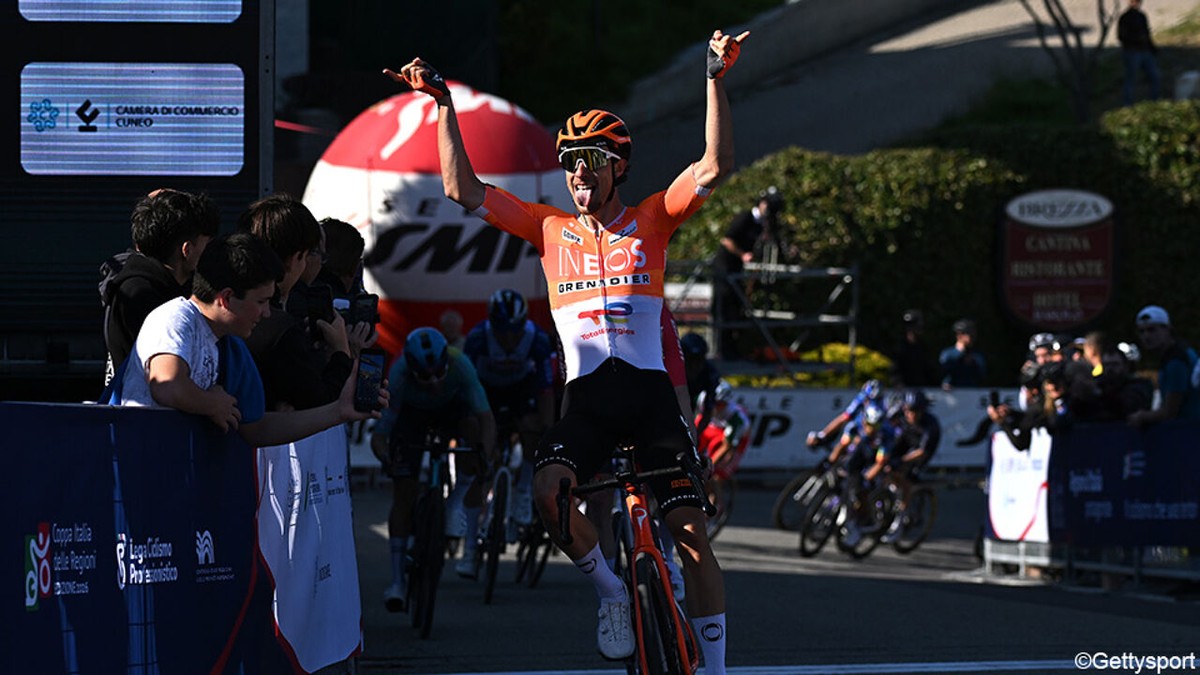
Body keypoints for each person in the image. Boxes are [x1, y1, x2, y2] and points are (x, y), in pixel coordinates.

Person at [385, 28, 746, 670]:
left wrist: (714, 77)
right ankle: (611, 591)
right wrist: (443, 104)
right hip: (588, 404)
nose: (577, 171)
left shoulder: (653, 219)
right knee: (549, 492)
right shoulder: (548, 229)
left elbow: (712, 167)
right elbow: (462, 191)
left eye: (590, 160)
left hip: (649, 401)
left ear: (617, 167)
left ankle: (714, 669)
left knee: (691, 538)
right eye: (569, 160)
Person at [115, 232, 386, 447]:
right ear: (227, 298)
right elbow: (167, 386)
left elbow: (256, 428)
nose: (267, 313)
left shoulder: (231, 346)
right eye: (261, 302)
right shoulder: (175, 318)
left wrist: (339, 411)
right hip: (140, 482)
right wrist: (213, 403)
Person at [370, 327, 496, 608]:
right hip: (412, 416)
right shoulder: (400, 373)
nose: (433, 381)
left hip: (452, 410)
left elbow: (485, 418)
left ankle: (457, 500)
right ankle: (397, 582)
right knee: (403, 494)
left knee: (472, 432)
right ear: (412, 370)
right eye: (425, 377)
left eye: (439, 373)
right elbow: (381, 433)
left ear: (446, 364)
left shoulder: (460, 364)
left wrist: (484, 457)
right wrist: (387, 459)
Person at [239, 194, 373, 411]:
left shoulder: (229, 305)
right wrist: (342, 350)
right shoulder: (282, 328)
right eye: (313, 253)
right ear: (296, 258)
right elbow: (319, 400)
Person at [99, 189, 219, 383]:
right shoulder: (141, 295)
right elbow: (165, 381)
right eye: (207, 244)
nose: (211, 253)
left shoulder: (139, 284)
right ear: (187, 250)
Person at [463, 288, 557, 527]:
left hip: (521, 389)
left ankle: (524, 489)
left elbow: (545, 389)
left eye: (514, 332)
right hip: (486, 390)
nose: (508, 339)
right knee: (484, 443)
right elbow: (467, 389)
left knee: (532, 428)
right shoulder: (477, 338)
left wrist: (546, 429)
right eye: (501, 332)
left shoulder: (536, 338)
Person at [713, 186, 786, 360]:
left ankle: (734, 349)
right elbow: (727, 240)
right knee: (724, 306)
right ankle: (723, 350)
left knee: (737, 309)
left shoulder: (763, 225)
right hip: (725, 269)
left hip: (738, 271)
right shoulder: (746, 218)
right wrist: (742, 254)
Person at [881, 389, 940, 543]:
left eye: (915, 412)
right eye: (908, 411)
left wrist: (902, 461)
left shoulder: (931, 425)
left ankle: (900, 520)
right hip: (905, 443)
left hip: (920, 454)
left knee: (906, 479)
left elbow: (922, 451)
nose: (911, 415)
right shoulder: (901, 413)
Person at [1128, 305, 1200, 426]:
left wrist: (1141, 417)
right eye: (1142, 331)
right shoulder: (1179, 353)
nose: (1146, 336)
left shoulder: (1176, 360)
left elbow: (1170, 411)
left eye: (1152, 330)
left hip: (1187, 432)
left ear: (1167, 330)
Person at [694, 380, 751, 507]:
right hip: (712, 427)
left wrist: (709, 467)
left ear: (725, 403)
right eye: (712, 403)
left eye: (719, 404)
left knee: (716, 473)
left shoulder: (736, 417)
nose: (715, 407)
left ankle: (715, 505)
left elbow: (727, 446)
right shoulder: (702, 399)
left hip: (733, 439)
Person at [805, 379, 883, 450]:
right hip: (857, 425)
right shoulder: (863, 397)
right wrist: (824, 434)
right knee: (845, 440)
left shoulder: (880, 404)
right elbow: (845, 416)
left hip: (871, 431)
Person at [1118, 0, 1161, 105]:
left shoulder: (1141, 16)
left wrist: (1152, 48)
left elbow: (1146, 34)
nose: (1136, 4)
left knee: (1154, 76)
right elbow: (1122, 36)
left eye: (1138, 2)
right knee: (1131, 79)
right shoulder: (1125, 18)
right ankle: (1127, 104)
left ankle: (1154, 101)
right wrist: (1137, 40)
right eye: (1134, 2)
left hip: (1144, 51)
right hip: (1132, 52)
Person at [891, 309, 934, 387]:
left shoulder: (922, 347)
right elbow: (895, 370)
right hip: (905, 391)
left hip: (921, 389)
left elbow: (929, 370)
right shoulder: (899, 348)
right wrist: (899, 385)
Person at [939, 319, 986, 389]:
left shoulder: (977, 356)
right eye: (969, 334)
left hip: (972, 393)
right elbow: (943, 372)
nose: (972, 337)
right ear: (959, 335)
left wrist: (973, 363)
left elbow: (982, 375)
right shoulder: (948, 354)